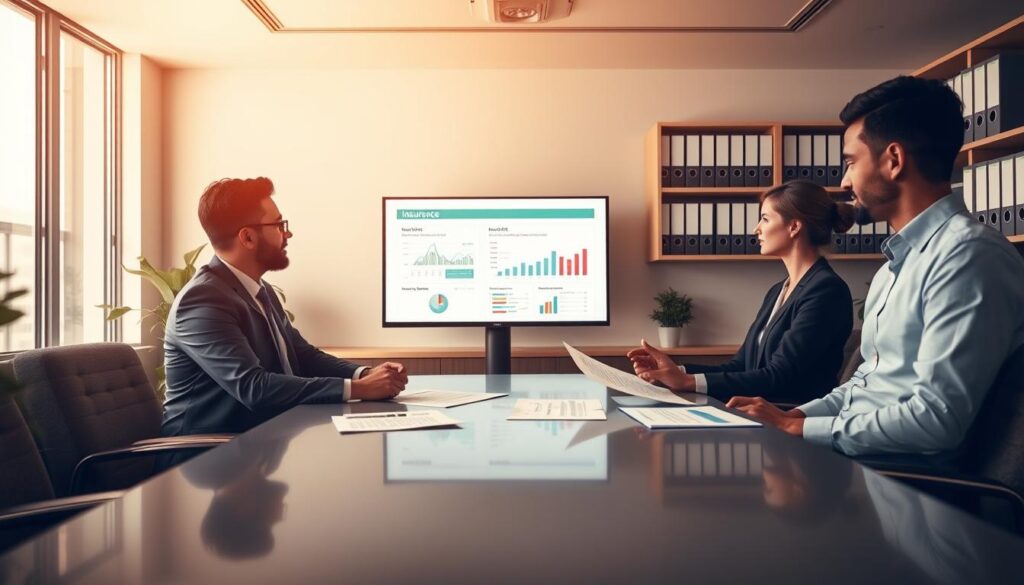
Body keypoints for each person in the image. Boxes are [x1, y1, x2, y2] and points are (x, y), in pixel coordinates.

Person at [726, 76, 1024, 459]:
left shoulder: (967, 257)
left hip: (908, 483)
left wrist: (800, 428)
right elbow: (865, 385)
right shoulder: (893, 268)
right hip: (862, 460)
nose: (844, 181)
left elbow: (936, 421)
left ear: (894, 160)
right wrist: (794, 416)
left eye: (850, 162)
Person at [162, 177, 408, 436]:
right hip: (203, 462)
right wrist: (360, 389)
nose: (287, 233)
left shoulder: (260, 290)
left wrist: (365, 373)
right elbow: (253, 387)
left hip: (257, 445)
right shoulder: (203, 300)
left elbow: (303, 355)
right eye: (279, 224)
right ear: (247, 237)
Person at [628, 180, 855, 404]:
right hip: (760, 413)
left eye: (765, 219)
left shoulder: (826, 291)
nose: (756, 229)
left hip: (788, 419)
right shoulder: (779, 290)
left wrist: (687, 382)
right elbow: (741, 366)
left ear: (794, 227)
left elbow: (780, 377)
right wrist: (675, 370)